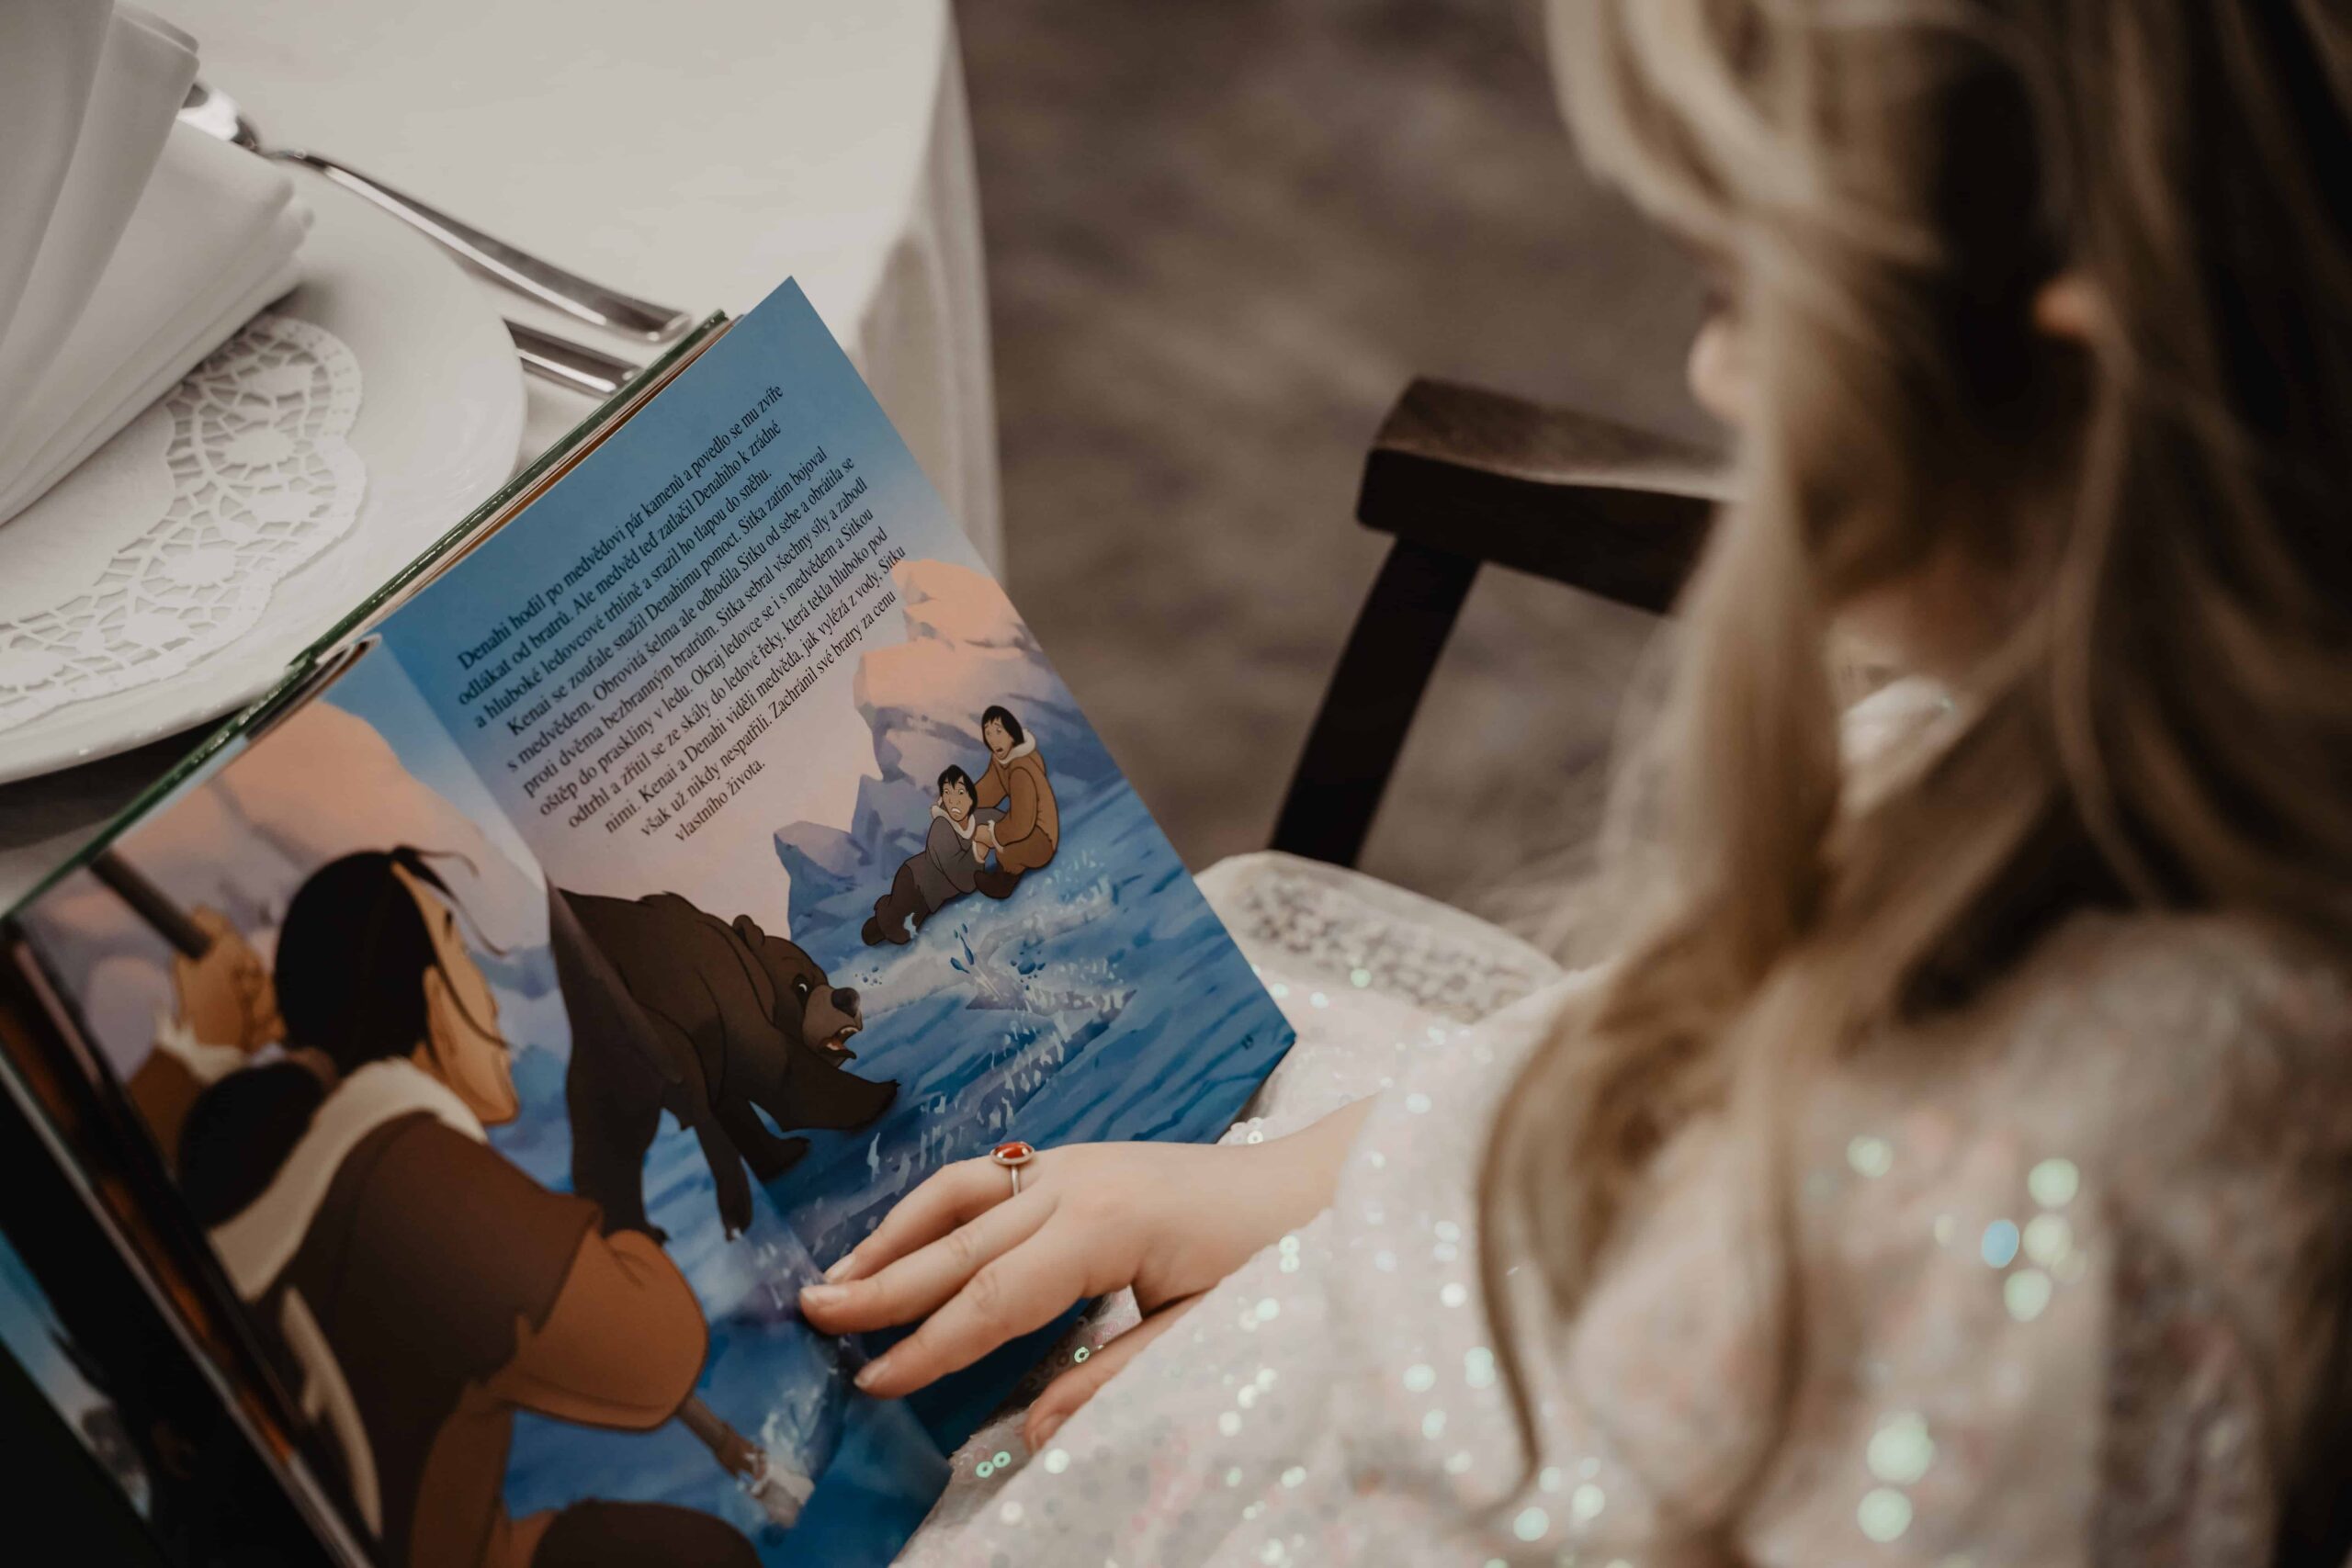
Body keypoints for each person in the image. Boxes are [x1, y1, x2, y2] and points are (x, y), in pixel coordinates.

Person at [801, 3, 2352, 1563]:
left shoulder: (2002, 1252)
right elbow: (1637, 1046)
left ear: (2055, 377)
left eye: (1739, 294)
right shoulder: (2010, 751)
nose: (1711, 370)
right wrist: (1270, 1215)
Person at [175, 850, 759, 1568]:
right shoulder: (405, 1177)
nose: (488, 1001)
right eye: (458, 952)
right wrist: (611, 1182)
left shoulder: (313, 1178)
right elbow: (655, 1353)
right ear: (428, 998)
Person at [861, 764, 988, 945]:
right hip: (915, 884)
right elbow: (960, 879)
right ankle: (888, 919)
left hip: (920, 886)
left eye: (960, 793)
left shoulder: (967, 824)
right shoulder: (943, 827)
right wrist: (979, 854)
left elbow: (963, 877)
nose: (954, 801)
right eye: (948, 794)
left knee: (907, 917)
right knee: (905, 922)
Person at [968, 704, 1058, 898]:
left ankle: (1003, 883)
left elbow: (1021, 824)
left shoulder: (1020, 770)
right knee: (995, 834)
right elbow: (992, 788)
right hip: (1030, 829)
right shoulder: (1002, 760)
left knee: (1008, 850)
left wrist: (991, 836)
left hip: (1042, 838)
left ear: (1012, 733)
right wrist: (965, 799)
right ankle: (1003, 877)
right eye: (988, 733)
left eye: (999, 731)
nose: (993, 739)